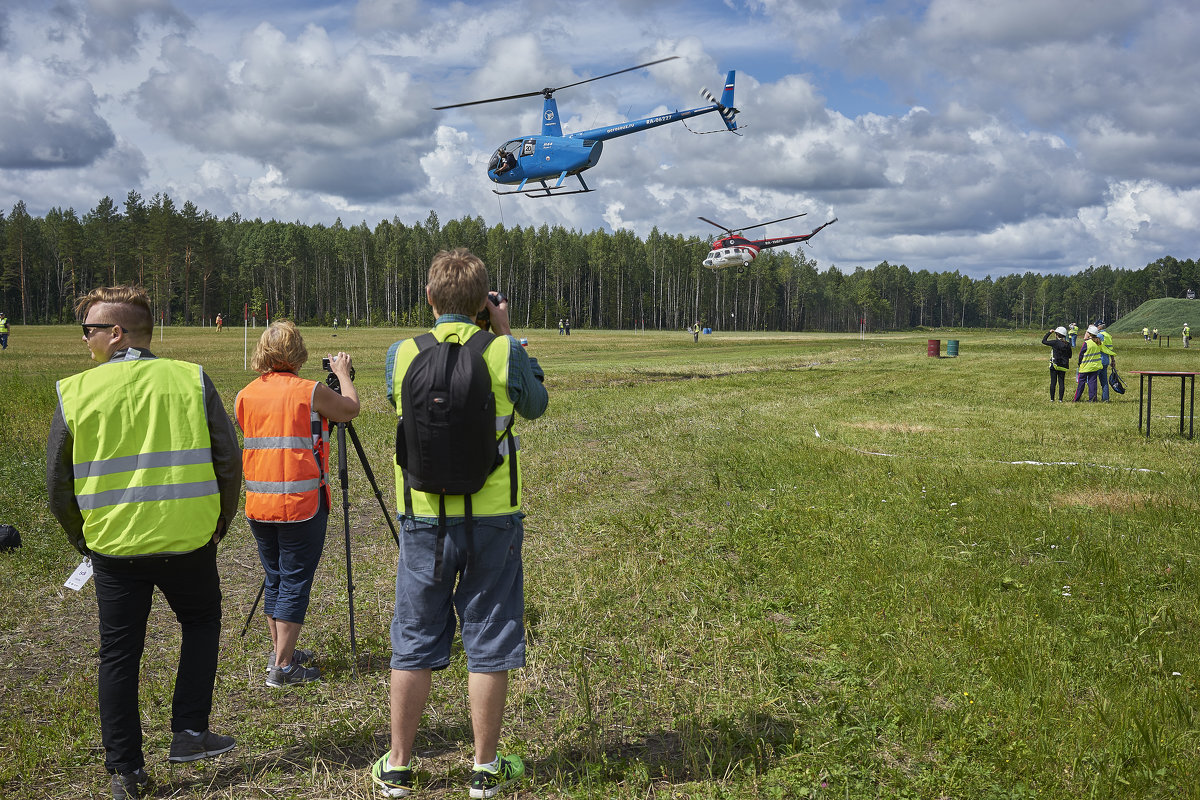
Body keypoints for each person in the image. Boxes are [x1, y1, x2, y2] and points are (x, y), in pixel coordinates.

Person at [46, 286, 242, 799]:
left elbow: (56, 485)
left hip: (113, 550)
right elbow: (228, 458)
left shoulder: (75, 392)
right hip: (189, 542)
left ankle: (126, 771)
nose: (84, 340)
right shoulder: (190, 379)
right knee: (201, 623)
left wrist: (84, 540)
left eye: (89, 330)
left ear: (116, 334)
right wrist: (220, 521)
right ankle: (191, 732)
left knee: (118, 654)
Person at [374, 248, 548, 799]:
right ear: (482, 301)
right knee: (488, 639)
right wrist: (506, 333)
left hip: (423, 518)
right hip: (493, 516)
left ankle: (399, 766)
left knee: (414, 641)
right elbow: (538, 403)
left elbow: (397, 403)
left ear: (429, 299)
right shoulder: (501, 352)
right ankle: (484, 767)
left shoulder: (401, 354)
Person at [234, 321, 360, 687]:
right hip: (300, 502)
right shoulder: (309, 391)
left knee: (275, 578)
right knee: (294, 582)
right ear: (298, 352)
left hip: (259, 502)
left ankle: (279, 652)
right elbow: (349, 409)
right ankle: (284, 667)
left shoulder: (246, 394)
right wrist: (342, 374)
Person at [1074, 325, 1103, 401]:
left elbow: (1081, 354)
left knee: (1081, 384)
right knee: (1092, 384)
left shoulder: (1087, 343)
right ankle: (1093, 399)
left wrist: (1079, 363)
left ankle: (1076, 399)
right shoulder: (1098, 342)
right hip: (1094, 366)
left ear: (1089, 333)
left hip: (1085, 367)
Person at [1042, 326, 1072, 402]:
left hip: (1054, 365)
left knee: (1053, 382)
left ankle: (1052, 399)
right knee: (1061, 382)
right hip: (1064, 366)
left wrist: (1049, 332)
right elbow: (1070, 355)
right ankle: (1060, 399)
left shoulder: (1055, 342)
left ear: (1057, 335)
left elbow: (1044, 341)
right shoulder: (1068, 344)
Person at [1095, 320, 1115, 401]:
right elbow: (1110, 349)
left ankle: (1093, 397)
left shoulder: (1099, 335)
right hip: (1106, 361)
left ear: (1099, 327)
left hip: (1098, 360)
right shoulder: (1108, 336)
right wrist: (1113, 360)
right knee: (1104, 381)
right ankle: (1105, 398)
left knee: (1093, 380)